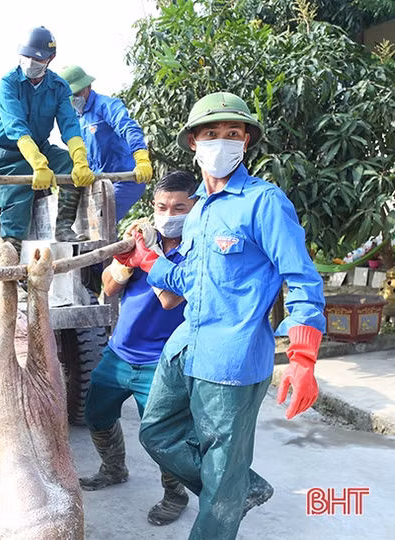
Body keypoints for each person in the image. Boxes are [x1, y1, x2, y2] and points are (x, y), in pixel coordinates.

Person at [117, 92, 326, 540]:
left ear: (246, 141)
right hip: (185, 347)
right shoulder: (198, 212)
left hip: (231, 362)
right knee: (155, 434)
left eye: (233, 134)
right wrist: (148, 259)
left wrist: (302, 358)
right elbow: (189, 282)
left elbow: (303, 278)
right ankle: (237, 487)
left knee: (219, 475)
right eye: (211, 134)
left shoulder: (264, 202)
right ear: (194, 142)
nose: (222, 142)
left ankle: (226, 494)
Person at [81, 171, 196, 527]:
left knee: (162, 435)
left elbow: (170, 300)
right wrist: (126, 262)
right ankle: (114, 468)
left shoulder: (198, 250)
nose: (169, 213)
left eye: (179, 207)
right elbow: (108, 287)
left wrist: (147, 258)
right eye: (162, 206)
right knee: (96, 415)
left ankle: (175, 494)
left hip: (161, 362)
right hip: (119, 352)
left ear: (196, 208)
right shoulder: (140, 238)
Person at [0, 26, 95, 254]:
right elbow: (15, 127)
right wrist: (38, 164)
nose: (29, 62)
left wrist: (80, 159)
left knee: (69, 165)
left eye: (36, 59)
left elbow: (70, 126)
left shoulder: (58, 87)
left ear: (50, 59)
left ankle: (64, 226)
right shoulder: (8, 84)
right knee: (18, 201)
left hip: (41, 148)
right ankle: (10, 256)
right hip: (7, 154)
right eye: (25, 57)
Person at [59, 65, 153, 222]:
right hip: (99, 181)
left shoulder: (106, 106)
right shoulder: (76, 119)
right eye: (70, 96)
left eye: (77, 93)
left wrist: (141, 157)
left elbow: (129, 128)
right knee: (84, 223)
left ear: (88, 86)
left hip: (124, 179)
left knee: (101, 220)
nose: (75, 99)